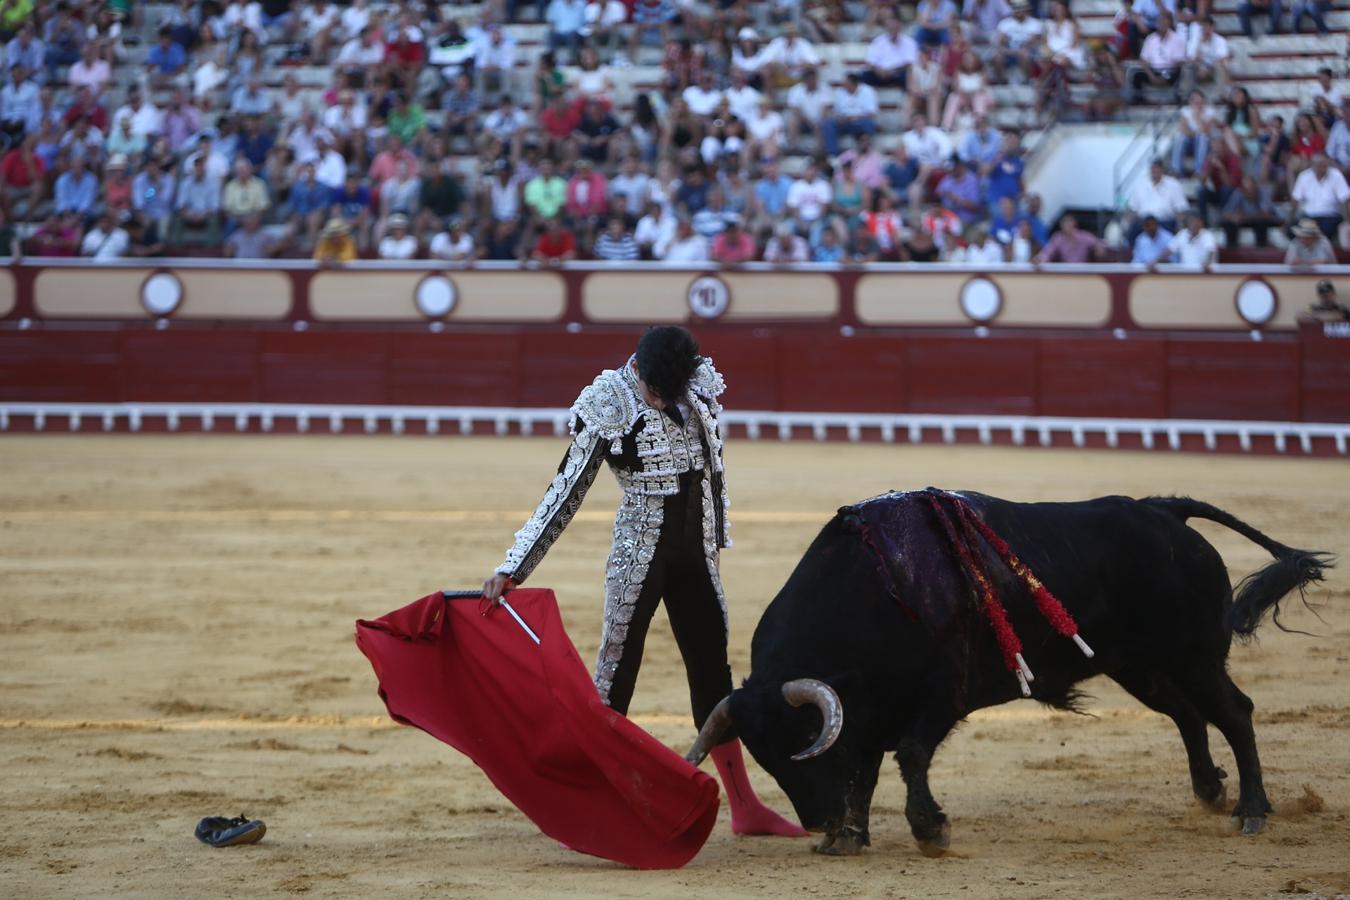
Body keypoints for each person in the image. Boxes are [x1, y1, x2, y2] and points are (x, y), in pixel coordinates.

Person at [480, 327, 808, 839]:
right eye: (656, 391)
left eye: (669, 392)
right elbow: (566, 489)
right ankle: (597, 804)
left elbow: (714, 472)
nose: (661, 400)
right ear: (637, 369)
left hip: (694, 551)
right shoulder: (608, 399)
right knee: (616, 675)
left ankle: (744, 807)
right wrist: (513, 566)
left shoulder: (694, 384)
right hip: (641, 550)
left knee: (712, 673)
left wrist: (715, 540)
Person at [1034, 214, 1106, 263]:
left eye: (1069, 222)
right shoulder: (1058, 238)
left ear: (1074, 224)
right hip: (1067, 273)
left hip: (1084, 272)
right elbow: (1048, 252)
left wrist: (1099, 247)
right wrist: (1040, 259)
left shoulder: (1084, 236)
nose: (1067, 225)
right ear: (1061, 225)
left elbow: (1100, 242)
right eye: (1065, 223)